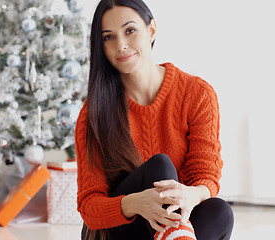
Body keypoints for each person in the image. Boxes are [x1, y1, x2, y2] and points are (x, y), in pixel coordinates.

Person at [74, 0, 234, 239]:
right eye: (109, 37)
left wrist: (191, 195)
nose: (121, 45)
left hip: (170, 222)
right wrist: (136, 203)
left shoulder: (197, 93)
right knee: (159, 165)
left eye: (130, 31)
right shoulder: (94, 111)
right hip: (117, 230)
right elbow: (90, 206)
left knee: (219, 211)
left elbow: (205, 174)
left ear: (151, 30)